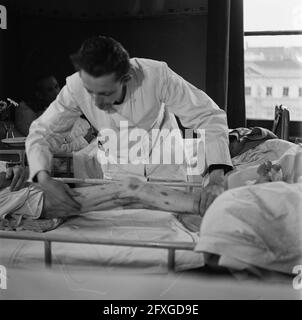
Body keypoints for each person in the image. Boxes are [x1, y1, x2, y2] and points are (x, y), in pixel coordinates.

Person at [26, 35, 233, 217]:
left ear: (126, 78)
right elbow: (41, 132)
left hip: (166, 171)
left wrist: (216, 178)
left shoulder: (156, 75)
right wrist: (44, 178)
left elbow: (208, 115)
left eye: (106, 93)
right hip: (118, 175)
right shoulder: (75, 86)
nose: (96, 103)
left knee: (171, 235)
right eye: (91, 92)